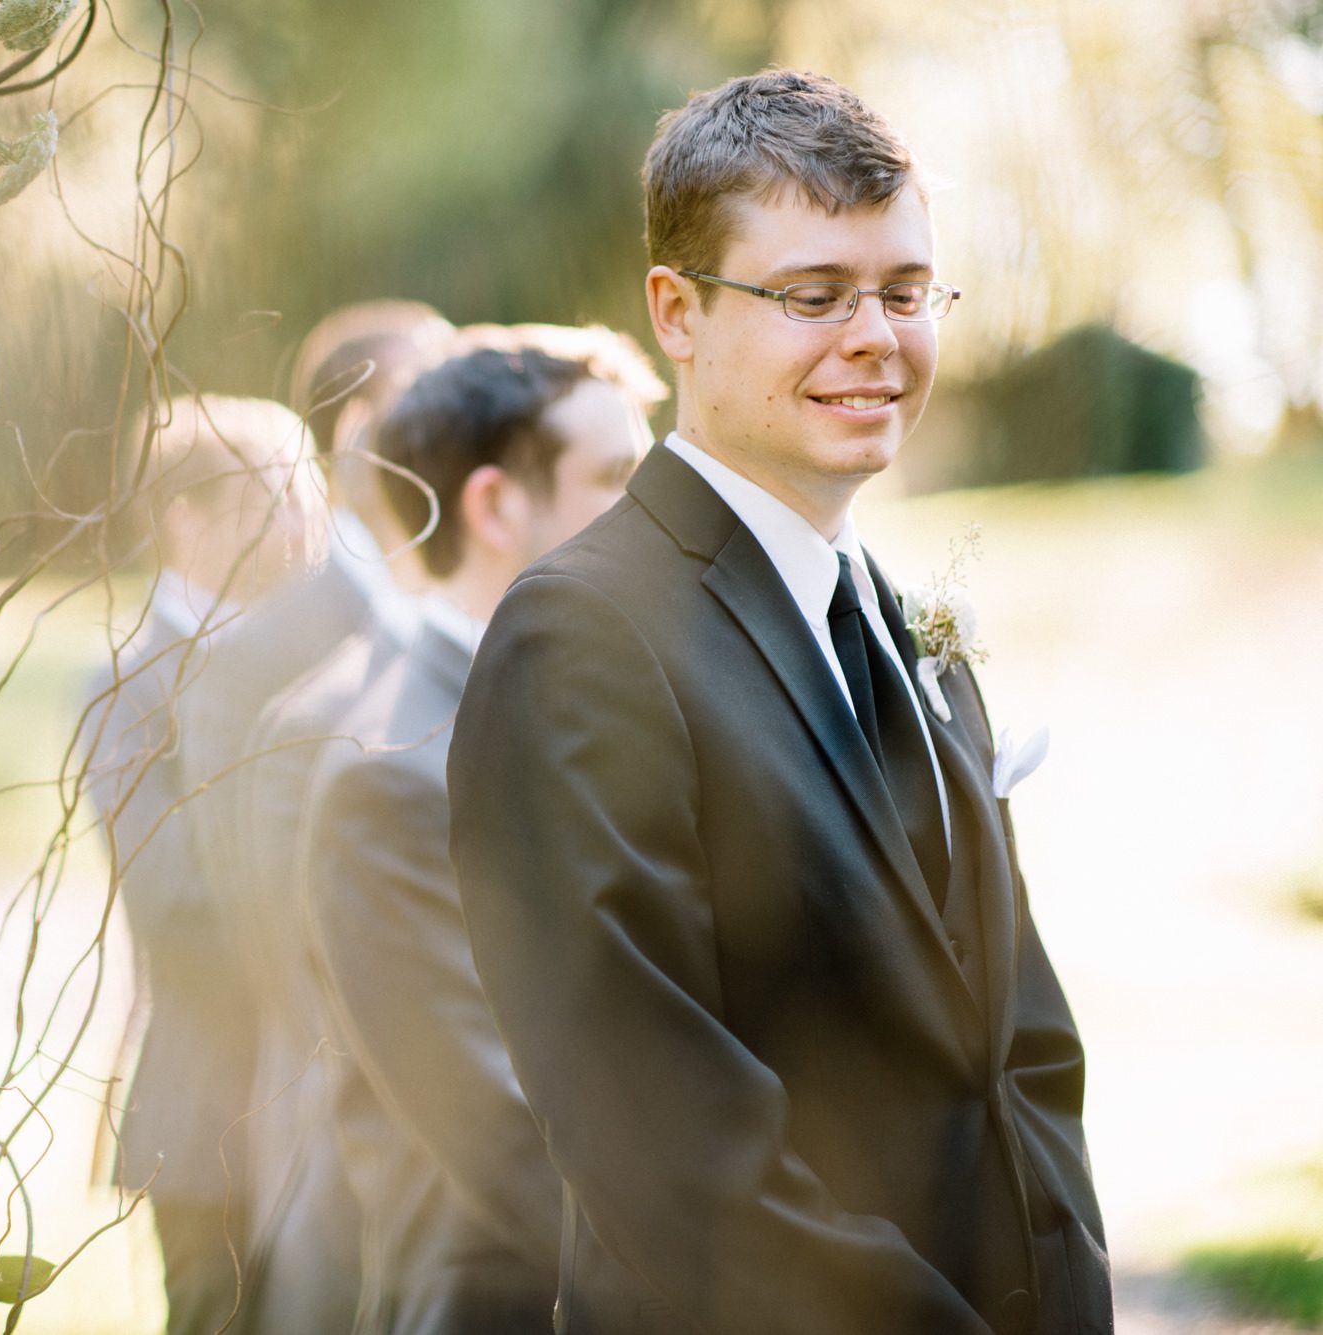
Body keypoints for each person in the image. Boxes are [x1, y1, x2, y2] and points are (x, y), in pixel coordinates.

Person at [448, 70, 1111, 1334]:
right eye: (813, 295)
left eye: (906, 292)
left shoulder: (906, 620)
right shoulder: (581, 639)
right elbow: (661, 1147)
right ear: (676, 312)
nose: (875, 336)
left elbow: (1015, 1046)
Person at [299, 328, 663, 1333]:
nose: (655, 513)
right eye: (615, 478)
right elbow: (498, 1127)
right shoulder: (389, 777)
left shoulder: (629, 701)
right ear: (495, 504)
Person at [183, 301, 453, 1332]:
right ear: (360, 430)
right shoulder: (255, 658)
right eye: (432, 387)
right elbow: (254, 930)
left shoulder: (495, 605)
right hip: (348, 1144)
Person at [82, 394, 318, 1335]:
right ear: (187, 520)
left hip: (333, 1123)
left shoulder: (319, 653)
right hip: (216, 1111)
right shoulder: (131, 688)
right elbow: (174, 904)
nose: (310, 524)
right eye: (279, 498)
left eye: (312, 493)